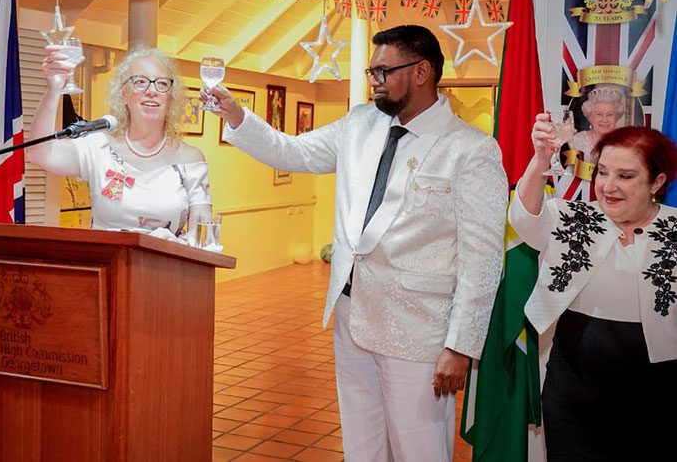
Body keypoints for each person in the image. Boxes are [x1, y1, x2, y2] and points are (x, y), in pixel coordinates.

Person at [202, 24, 507, 461]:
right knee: (362, 446)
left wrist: (460, 346)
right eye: (372, 71)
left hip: (418, 329)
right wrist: (235, 115)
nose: (374, 81)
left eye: (384, 71)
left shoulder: (471, 149)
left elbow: (483, 260)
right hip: (351, 312)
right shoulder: (360, 123)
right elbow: (293, 152)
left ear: (422, 72)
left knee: (418, 448)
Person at [510, 119, 677, 461]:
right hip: (574, 394)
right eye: (602, 172)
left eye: (625, 176)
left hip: (658, 396)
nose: (608, 186)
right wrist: (541, 159)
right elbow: (524, 220)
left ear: (656, 182)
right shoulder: (572, 217)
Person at [27, 44, 212, 241]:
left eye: (162, 84)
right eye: (140, 82)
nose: (151, 91)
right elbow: (38, 154)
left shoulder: (190, 159)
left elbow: (204, 236)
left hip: (167, 268)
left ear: (171, 96)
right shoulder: (98, 147)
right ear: (124, 93)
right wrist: (54, 90)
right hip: (105, 266)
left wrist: (175, 245)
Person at [566, 83, 627, 159]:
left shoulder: (626, 142)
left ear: (617, 116)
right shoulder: (577, 141)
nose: (604, 119)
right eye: (599, 114)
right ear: (590, 116)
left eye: (610, 114)